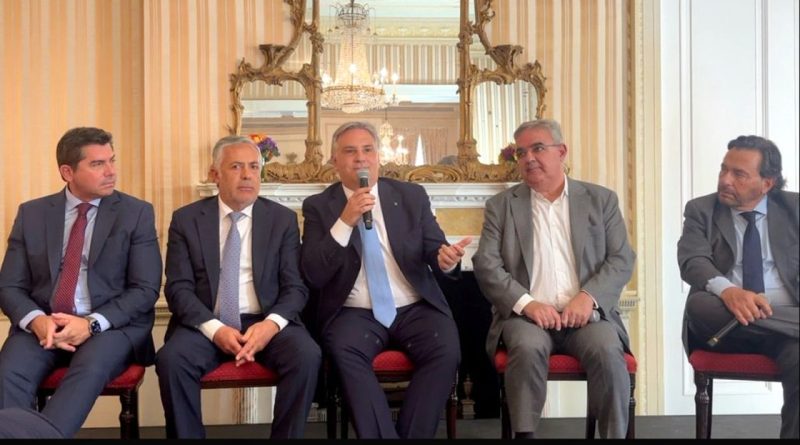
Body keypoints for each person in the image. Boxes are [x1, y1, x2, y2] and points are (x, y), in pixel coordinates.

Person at [300, 121, 471, 438]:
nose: (360, 158)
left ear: (378, 156)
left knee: (446, 350)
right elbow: (314, 273)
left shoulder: (410, 196)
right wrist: (345, 221)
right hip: (354, 312)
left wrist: (445, 260)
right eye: (350, 151)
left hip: (415, 307)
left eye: (368, 150)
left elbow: (435, 247)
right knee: (344, 352)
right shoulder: (318, 207)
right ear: (335, 161)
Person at [472, 119, 636, 438]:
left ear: (561, 152)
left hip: (587, 318)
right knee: (526, 347)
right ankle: (525, 435)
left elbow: (622, 258)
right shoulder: (501, 206)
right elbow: (486, 264)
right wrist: (528, 304)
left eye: (538, 148)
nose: (529, 158)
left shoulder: (600, 200)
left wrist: (587, 298)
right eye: (521, 152)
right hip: (527, 318)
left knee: (606, 350)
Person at [0, 126, 162, 438]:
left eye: (112, 160)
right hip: (45, 324)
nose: (111, 171)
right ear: (67, 172)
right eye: (98, 164)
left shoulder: (136, 213)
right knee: (8, 372)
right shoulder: (32, 214)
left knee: (89, 368)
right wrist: (36, 321)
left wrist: (90, 324)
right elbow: (9, 285)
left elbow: (145, 289)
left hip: (110, 327)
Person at [155, 135, 320, 439]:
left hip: (265, 321)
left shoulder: (282, 219)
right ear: (214, 174)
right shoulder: (187, 219)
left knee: (307, 355)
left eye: (254, 167)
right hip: (205, 324)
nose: (247, 175)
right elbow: (178, 289)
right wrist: (215, 329)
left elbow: (295, 287)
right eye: (236, 167)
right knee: (171, 360)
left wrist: (270, 325)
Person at [678, 135, 798, 439]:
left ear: (767, 183)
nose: (725, 180)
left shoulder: (794, 209)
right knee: (699, 305)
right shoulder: (701, 210)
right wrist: (729, 292)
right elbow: (692, 261)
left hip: (785, 331)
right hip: (725, 327)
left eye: (739, 174)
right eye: (724, 169)